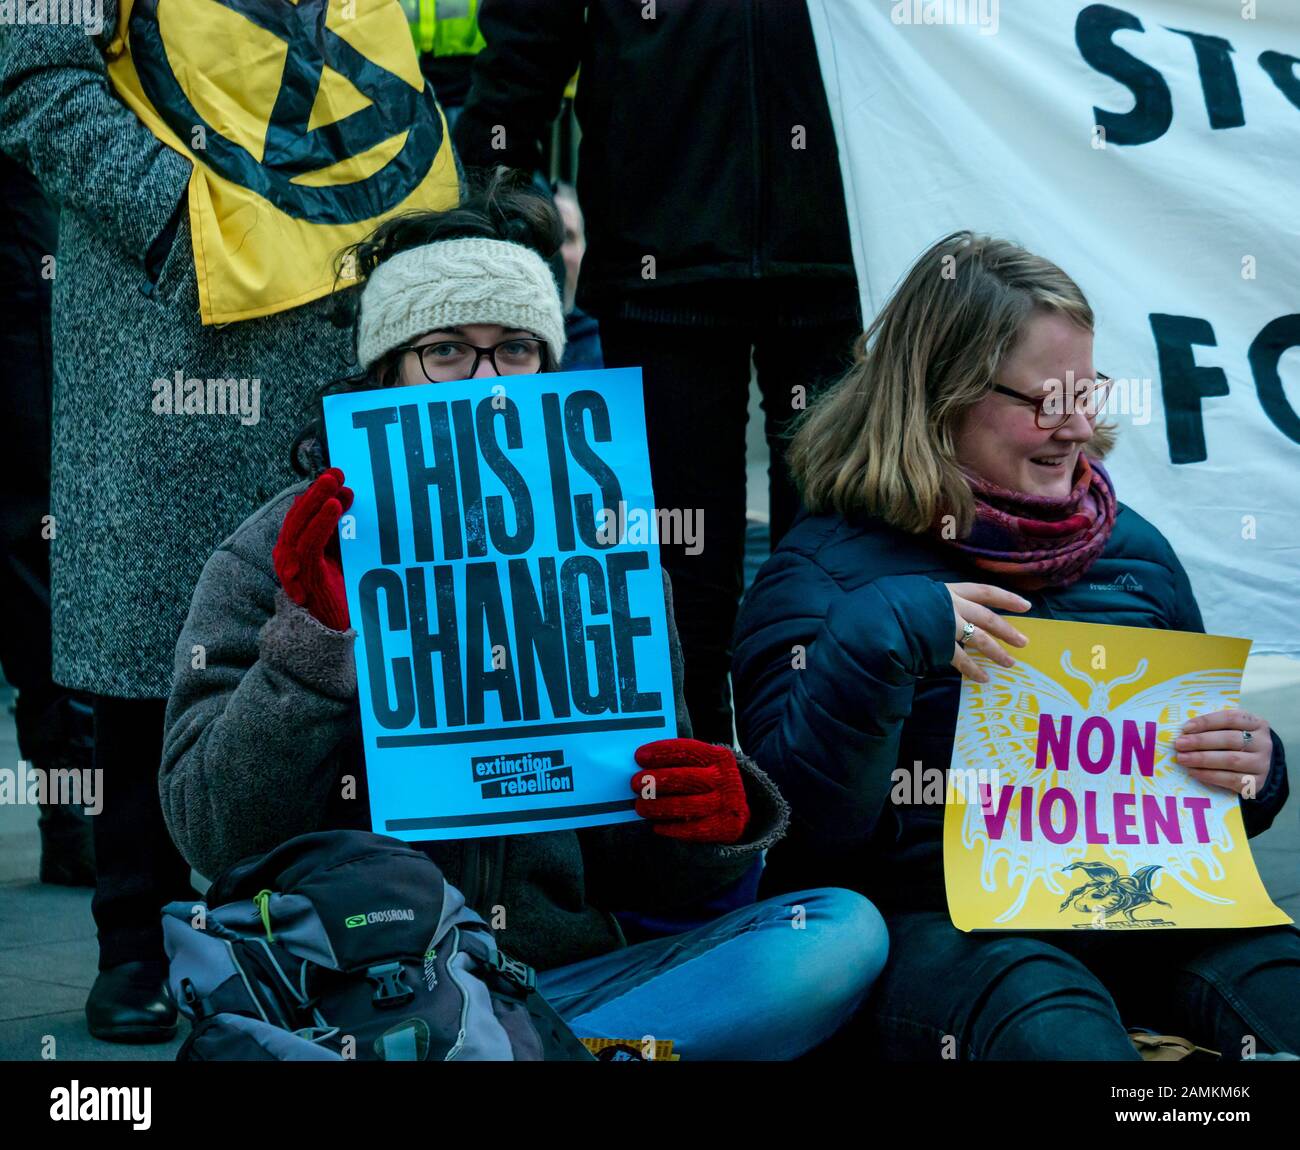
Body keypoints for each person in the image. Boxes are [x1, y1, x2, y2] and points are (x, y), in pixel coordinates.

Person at [159, 175, 887, 1060]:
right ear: (384, 370)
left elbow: (640, 868)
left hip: (563, 984)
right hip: (365, 987)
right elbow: (212, 834)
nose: (486, 384)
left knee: (841, 929)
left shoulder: (607, 548)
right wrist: (307, 650)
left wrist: (713, 825)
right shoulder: (277, 547)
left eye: (515, 351)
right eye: (447, 352)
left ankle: (517, 1050)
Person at [0, 5, 456, 1042]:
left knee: (339, 614)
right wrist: (177, 215)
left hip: (355, 280)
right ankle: (138, 938)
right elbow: (30, 70)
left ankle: (332, 919)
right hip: (175, 309)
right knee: (152, 629)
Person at [731, 231, 1297, 1061]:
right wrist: (879, 642)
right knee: (1044, 1007)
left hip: (1136, 909)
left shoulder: (1134, 553)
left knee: (1278, 973)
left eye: (1088, 391)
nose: (1074, 427)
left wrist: (1252, 769)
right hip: (933, 931)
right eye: (1042, 400)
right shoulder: (818, 576)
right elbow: (799, 842)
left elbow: (1190, 795)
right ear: (939, 395)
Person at [453, 0, 864, 743]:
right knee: (677, 580)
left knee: (828, 568)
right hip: (670, 257)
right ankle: (696, 827)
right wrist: (484, 202)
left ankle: (806, 823)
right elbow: (528, 32)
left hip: (827, 254)